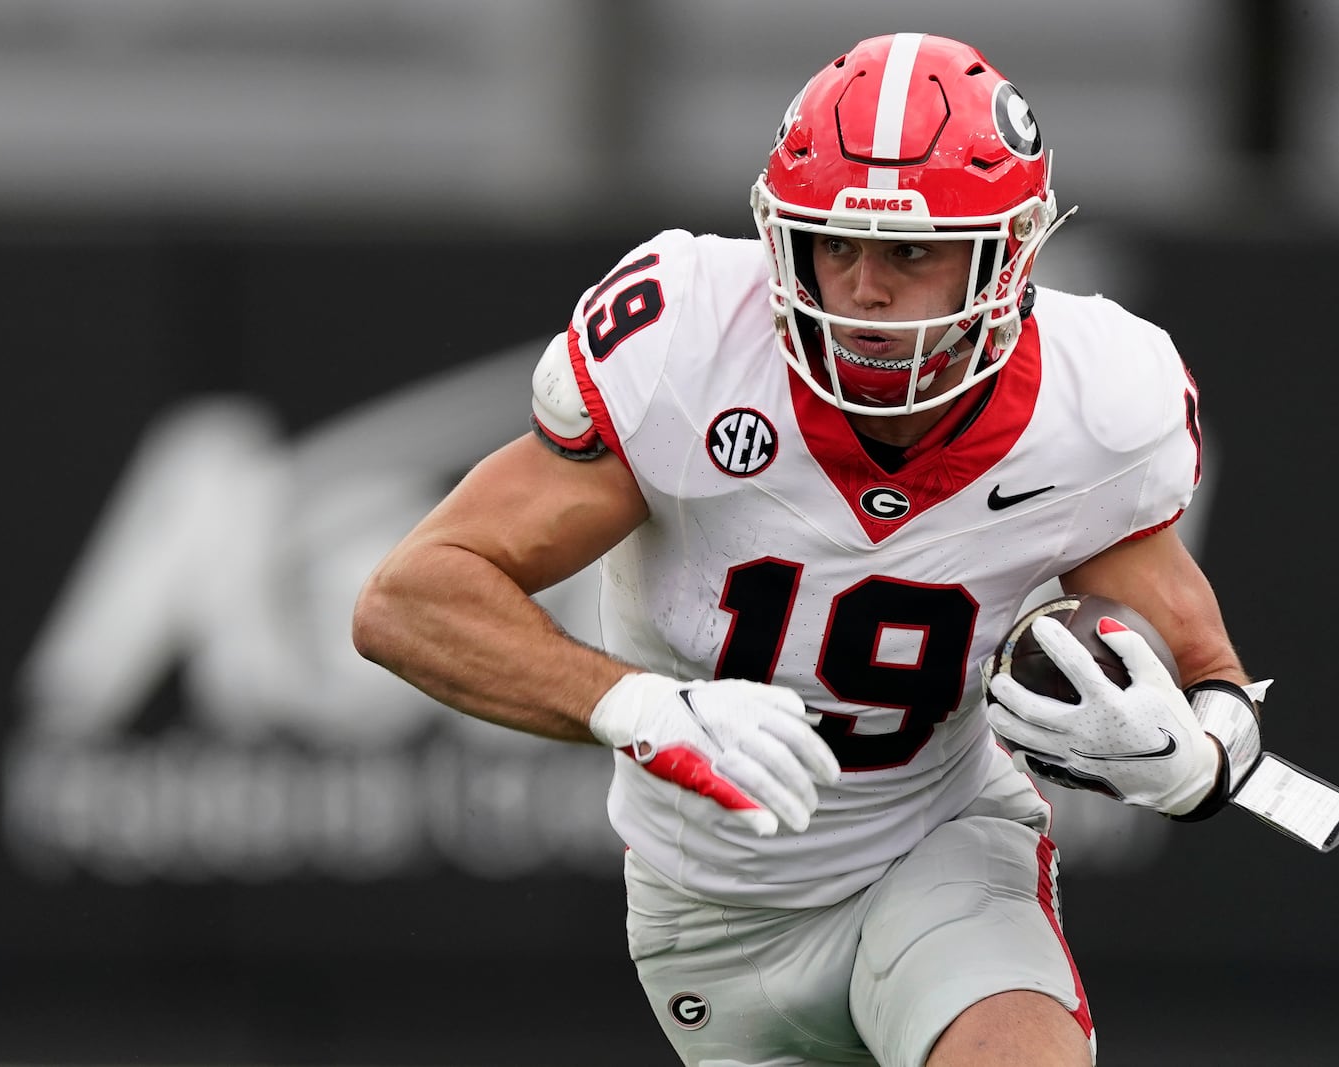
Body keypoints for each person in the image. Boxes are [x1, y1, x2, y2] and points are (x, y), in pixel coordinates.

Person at [353, 31, 1267, 1067]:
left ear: (1006, 255)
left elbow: (1207, 672)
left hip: (940, 848)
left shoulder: (1094, 402)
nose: (864, 291)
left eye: (911, 252)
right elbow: (408, 597)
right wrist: (643, 705)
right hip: (709, 916)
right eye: (835, 245)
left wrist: (1196, 758)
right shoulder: (689, 347)